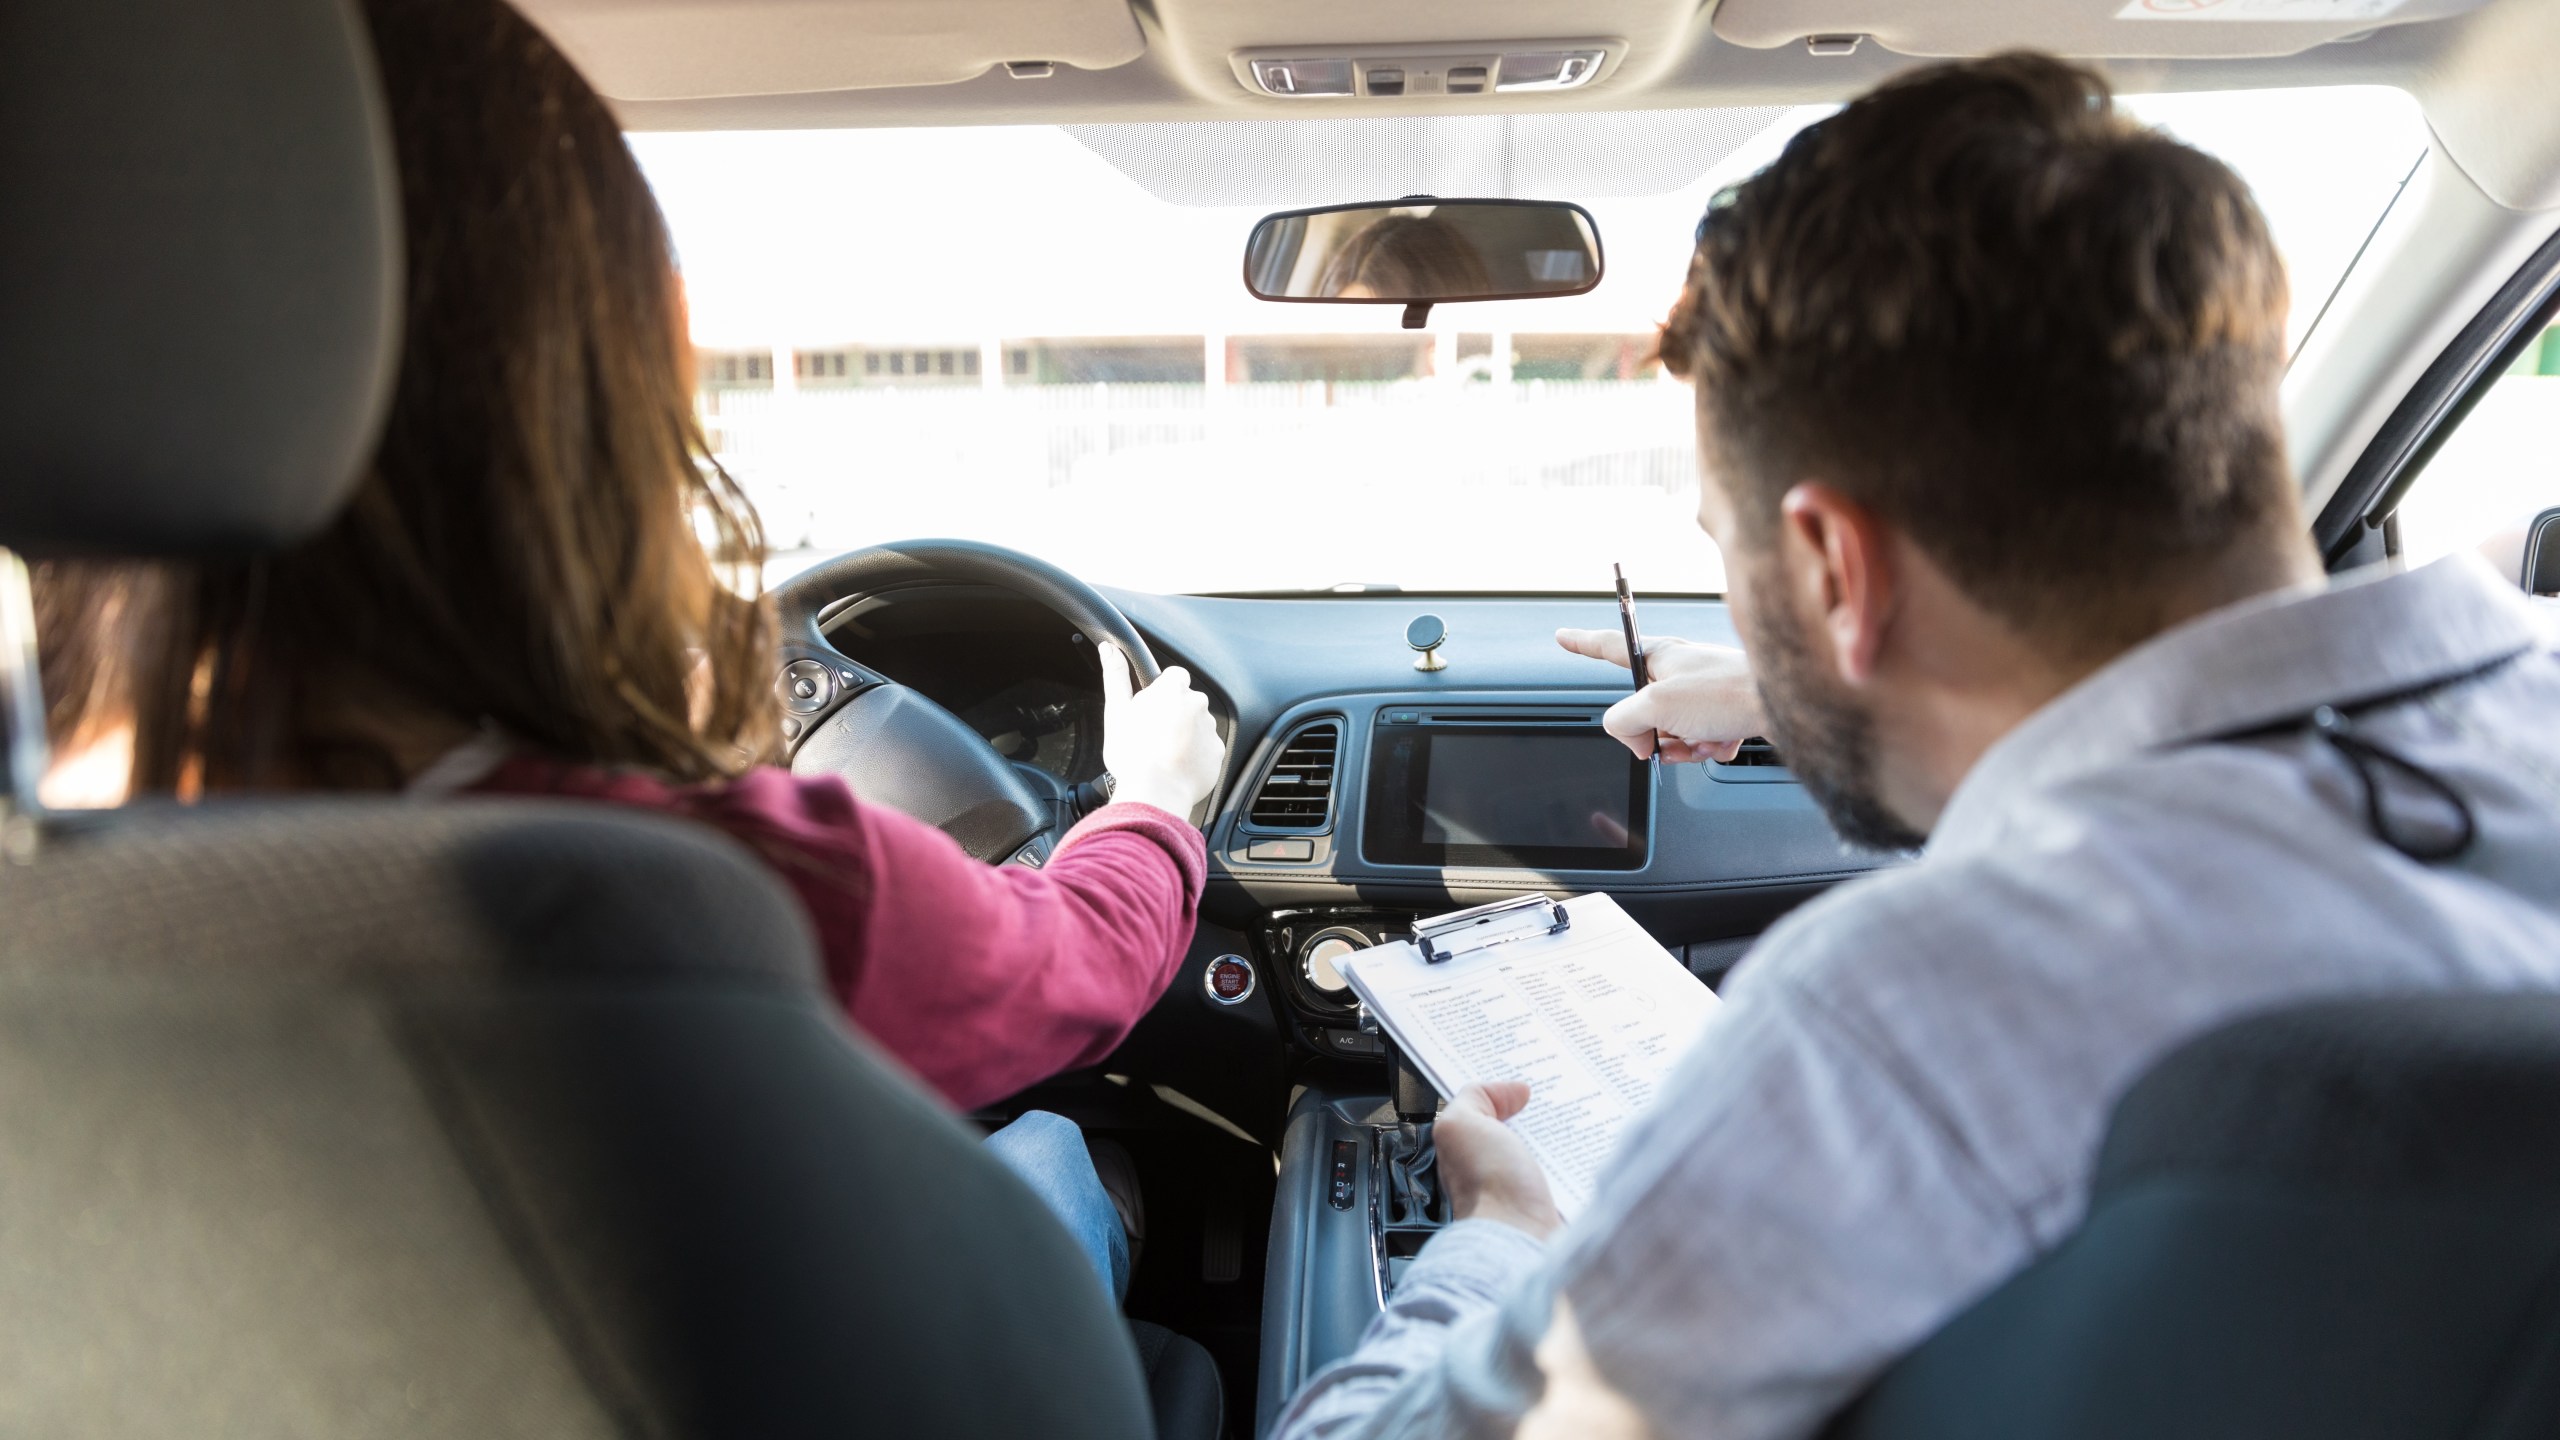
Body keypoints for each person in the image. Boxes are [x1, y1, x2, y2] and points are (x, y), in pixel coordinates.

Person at [1275, 52, 2560, 1440]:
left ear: (1835, 563)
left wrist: (1499, 1237)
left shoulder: (1909, 1017)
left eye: (1733, 557)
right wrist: (1796, 686)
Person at [32, 0, 1217, 1294]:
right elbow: (1078, 966)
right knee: (1058, 1154)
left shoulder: (52, 856)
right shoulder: (734, 891)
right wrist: (1153, 802)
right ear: (589, 396)